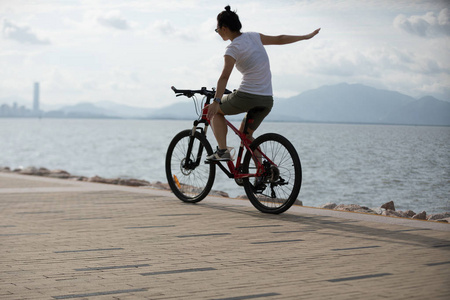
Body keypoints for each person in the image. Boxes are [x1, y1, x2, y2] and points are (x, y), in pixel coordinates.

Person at [206, 5, 320, 161]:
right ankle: (264, 170)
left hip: (247, 96)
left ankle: (222, 151)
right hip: (267, 99)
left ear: (224, 28)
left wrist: (216, 101)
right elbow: (279, 39)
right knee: (246, 135)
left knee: (213, 111)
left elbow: (224, 77)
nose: (217, 32)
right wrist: (304, 37)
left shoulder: (232, 49)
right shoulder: (253, 37)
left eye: (217, 29)